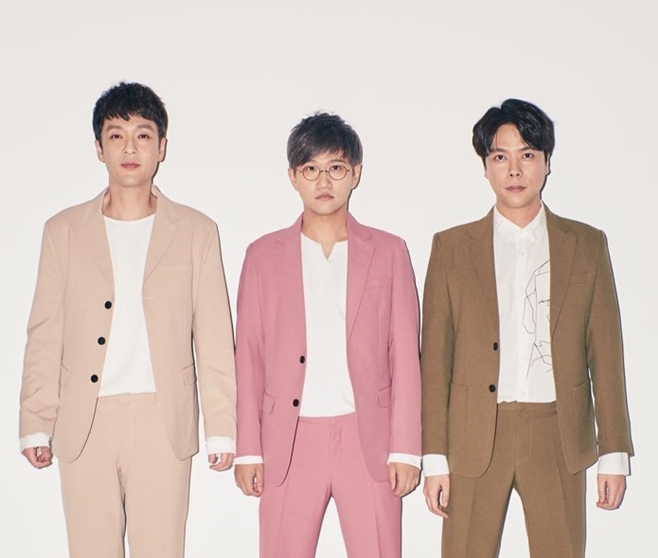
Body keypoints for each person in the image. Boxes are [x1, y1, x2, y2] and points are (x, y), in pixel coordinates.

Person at [19, 82, 236, 558]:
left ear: (162, 147)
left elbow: (216, 336)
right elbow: (45, 331)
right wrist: (36, 420)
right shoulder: (63, 231)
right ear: (99, 148)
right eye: (116, 136)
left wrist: (222, 426)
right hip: (84, 420)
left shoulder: (197, 231)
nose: (130, 148)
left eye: (143, 135)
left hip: (163, 419)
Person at [420, 98, 634, 558]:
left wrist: (614, 451)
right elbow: (435, 360)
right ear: (485, 166)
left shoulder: (586, 244)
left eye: (528, 155)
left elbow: (606, 353)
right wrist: (433, 455)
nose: (514, 169)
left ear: (547, 162)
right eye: (500, 156)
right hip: (473, 435)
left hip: (557, 433)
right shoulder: (451, 248)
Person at [233, 112, 421, 558]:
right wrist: (248, 450)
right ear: (292, 177)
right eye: (310, 169)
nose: (323, 181)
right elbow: (249, 356)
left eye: (336, 168)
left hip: (368, 436)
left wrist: (406, 448)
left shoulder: (390, 252)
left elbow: (406, 356)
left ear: (355, 174)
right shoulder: (261, 256)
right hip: (288, 439)